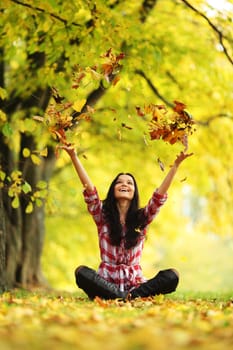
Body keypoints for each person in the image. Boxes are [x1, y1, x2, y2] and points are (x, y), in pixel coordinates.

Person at [62, 142, 193, 300]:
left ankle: (128, 296)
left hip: (136, 286)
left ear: (134, 192)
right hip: (106, 285)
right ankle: (124, 297)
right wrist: (74, 156)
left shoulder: (142, 218)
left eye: (129, 183)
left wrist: (176, 165)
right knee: (81, 272)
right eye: (120, 182)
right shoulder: (102, 216)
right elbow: (90, 192)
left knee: (173, 275)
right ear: (113, 189)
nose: (124, 184)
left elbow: (158, 198)